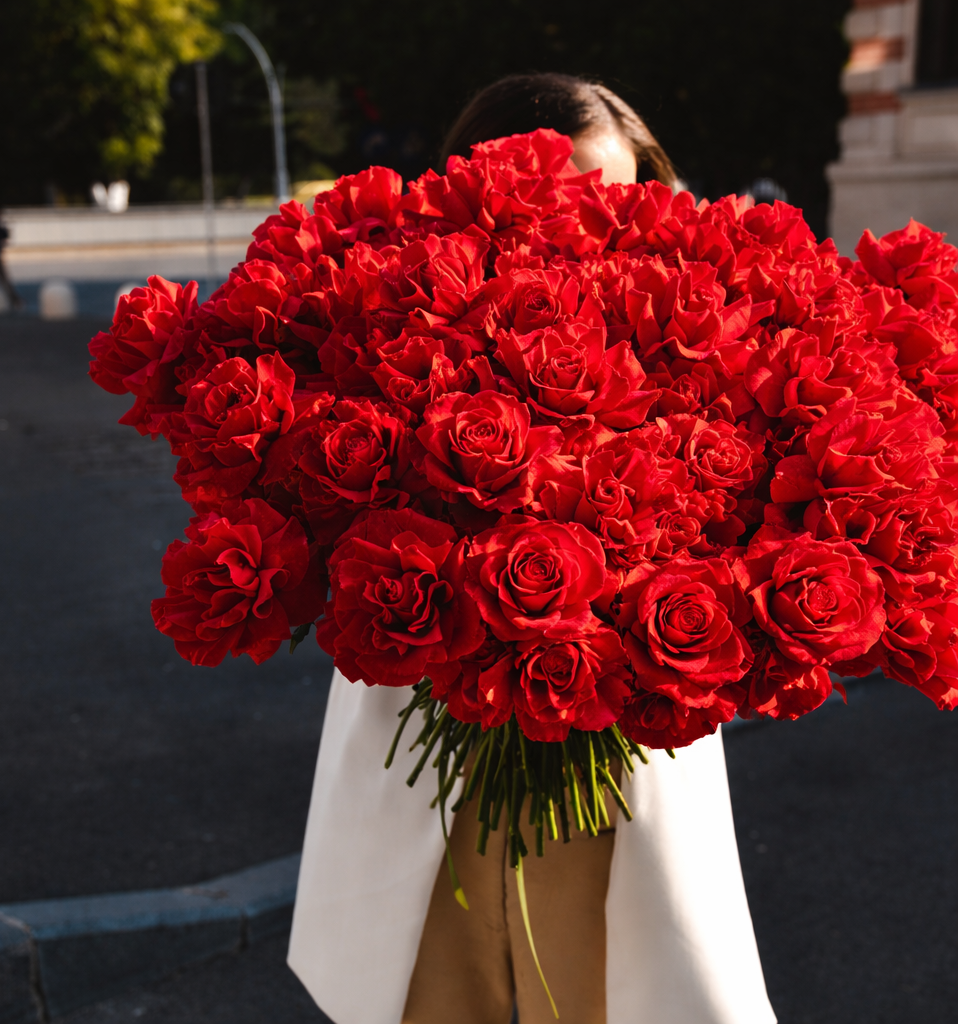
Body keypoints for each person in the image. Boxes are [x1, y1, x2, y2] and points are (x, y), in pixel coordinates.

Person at [289, 74, 776, 1024]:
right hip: (429, 690)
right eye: (561, 193)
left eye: (617, 197)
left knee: (615, 974)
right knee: (431, 968)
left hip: (619, 712)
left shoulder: (688, 327)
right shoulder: (404, 308)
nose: (590, 223)